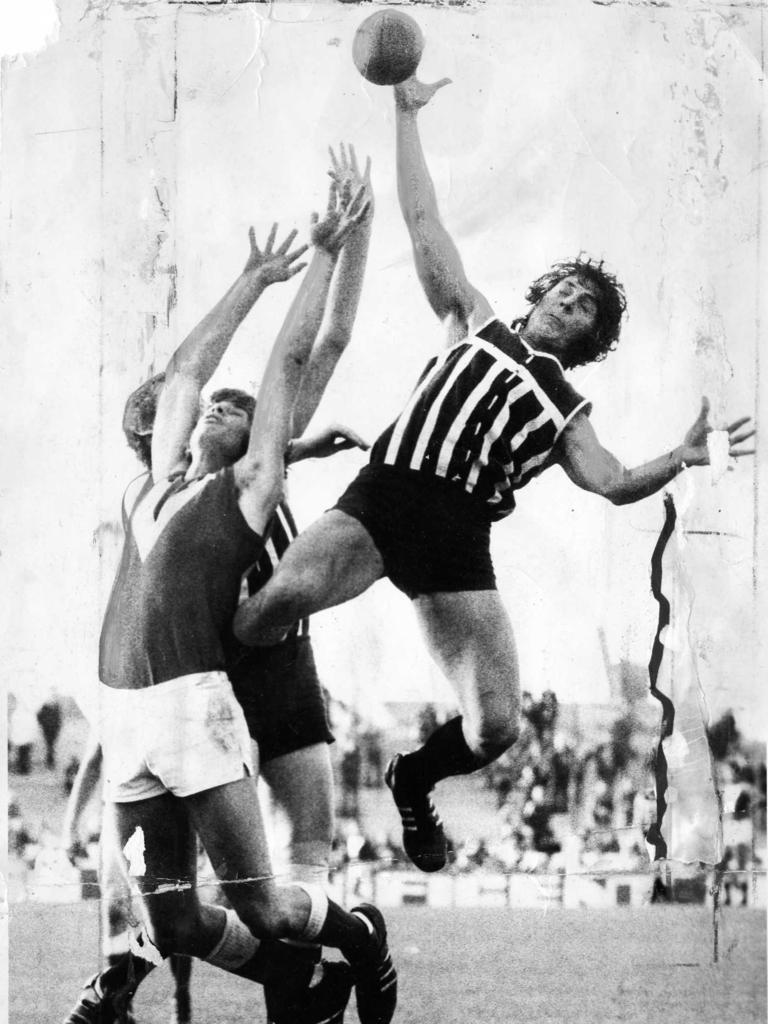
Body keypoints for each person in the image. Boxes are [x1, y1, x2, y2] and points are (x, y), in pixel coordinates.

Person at [232, 75, 756, 876]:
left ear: (590, 339)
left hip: (458, 535)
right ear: (539, 294)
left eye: (587, 309)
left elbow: (611, 482)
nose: (571, 304)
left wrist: (677, 459)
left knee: (497, 728)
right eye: (566, 291)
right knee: (265, 609)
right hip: (388, 492)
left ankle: (413, 778)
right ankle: (234, 726)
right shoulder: (474, 319)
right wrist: (404, 115)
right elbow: (422, 220)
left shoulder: (566, 405)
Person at [65, 161, 396, 1024]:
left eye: (230, 409)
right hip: (125, 711)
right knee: (171, 913)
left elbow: (298, 357)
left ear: (263, 442)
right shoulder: (146, 490)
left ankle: (360, 940)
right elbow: (183, 373)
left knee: (267, 903)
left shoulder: (248, 489)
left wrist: (323, 257)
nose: (210, 408)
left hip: (195, 706)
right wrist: (250, 278)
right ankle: (282, 983)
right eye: (206, 410)